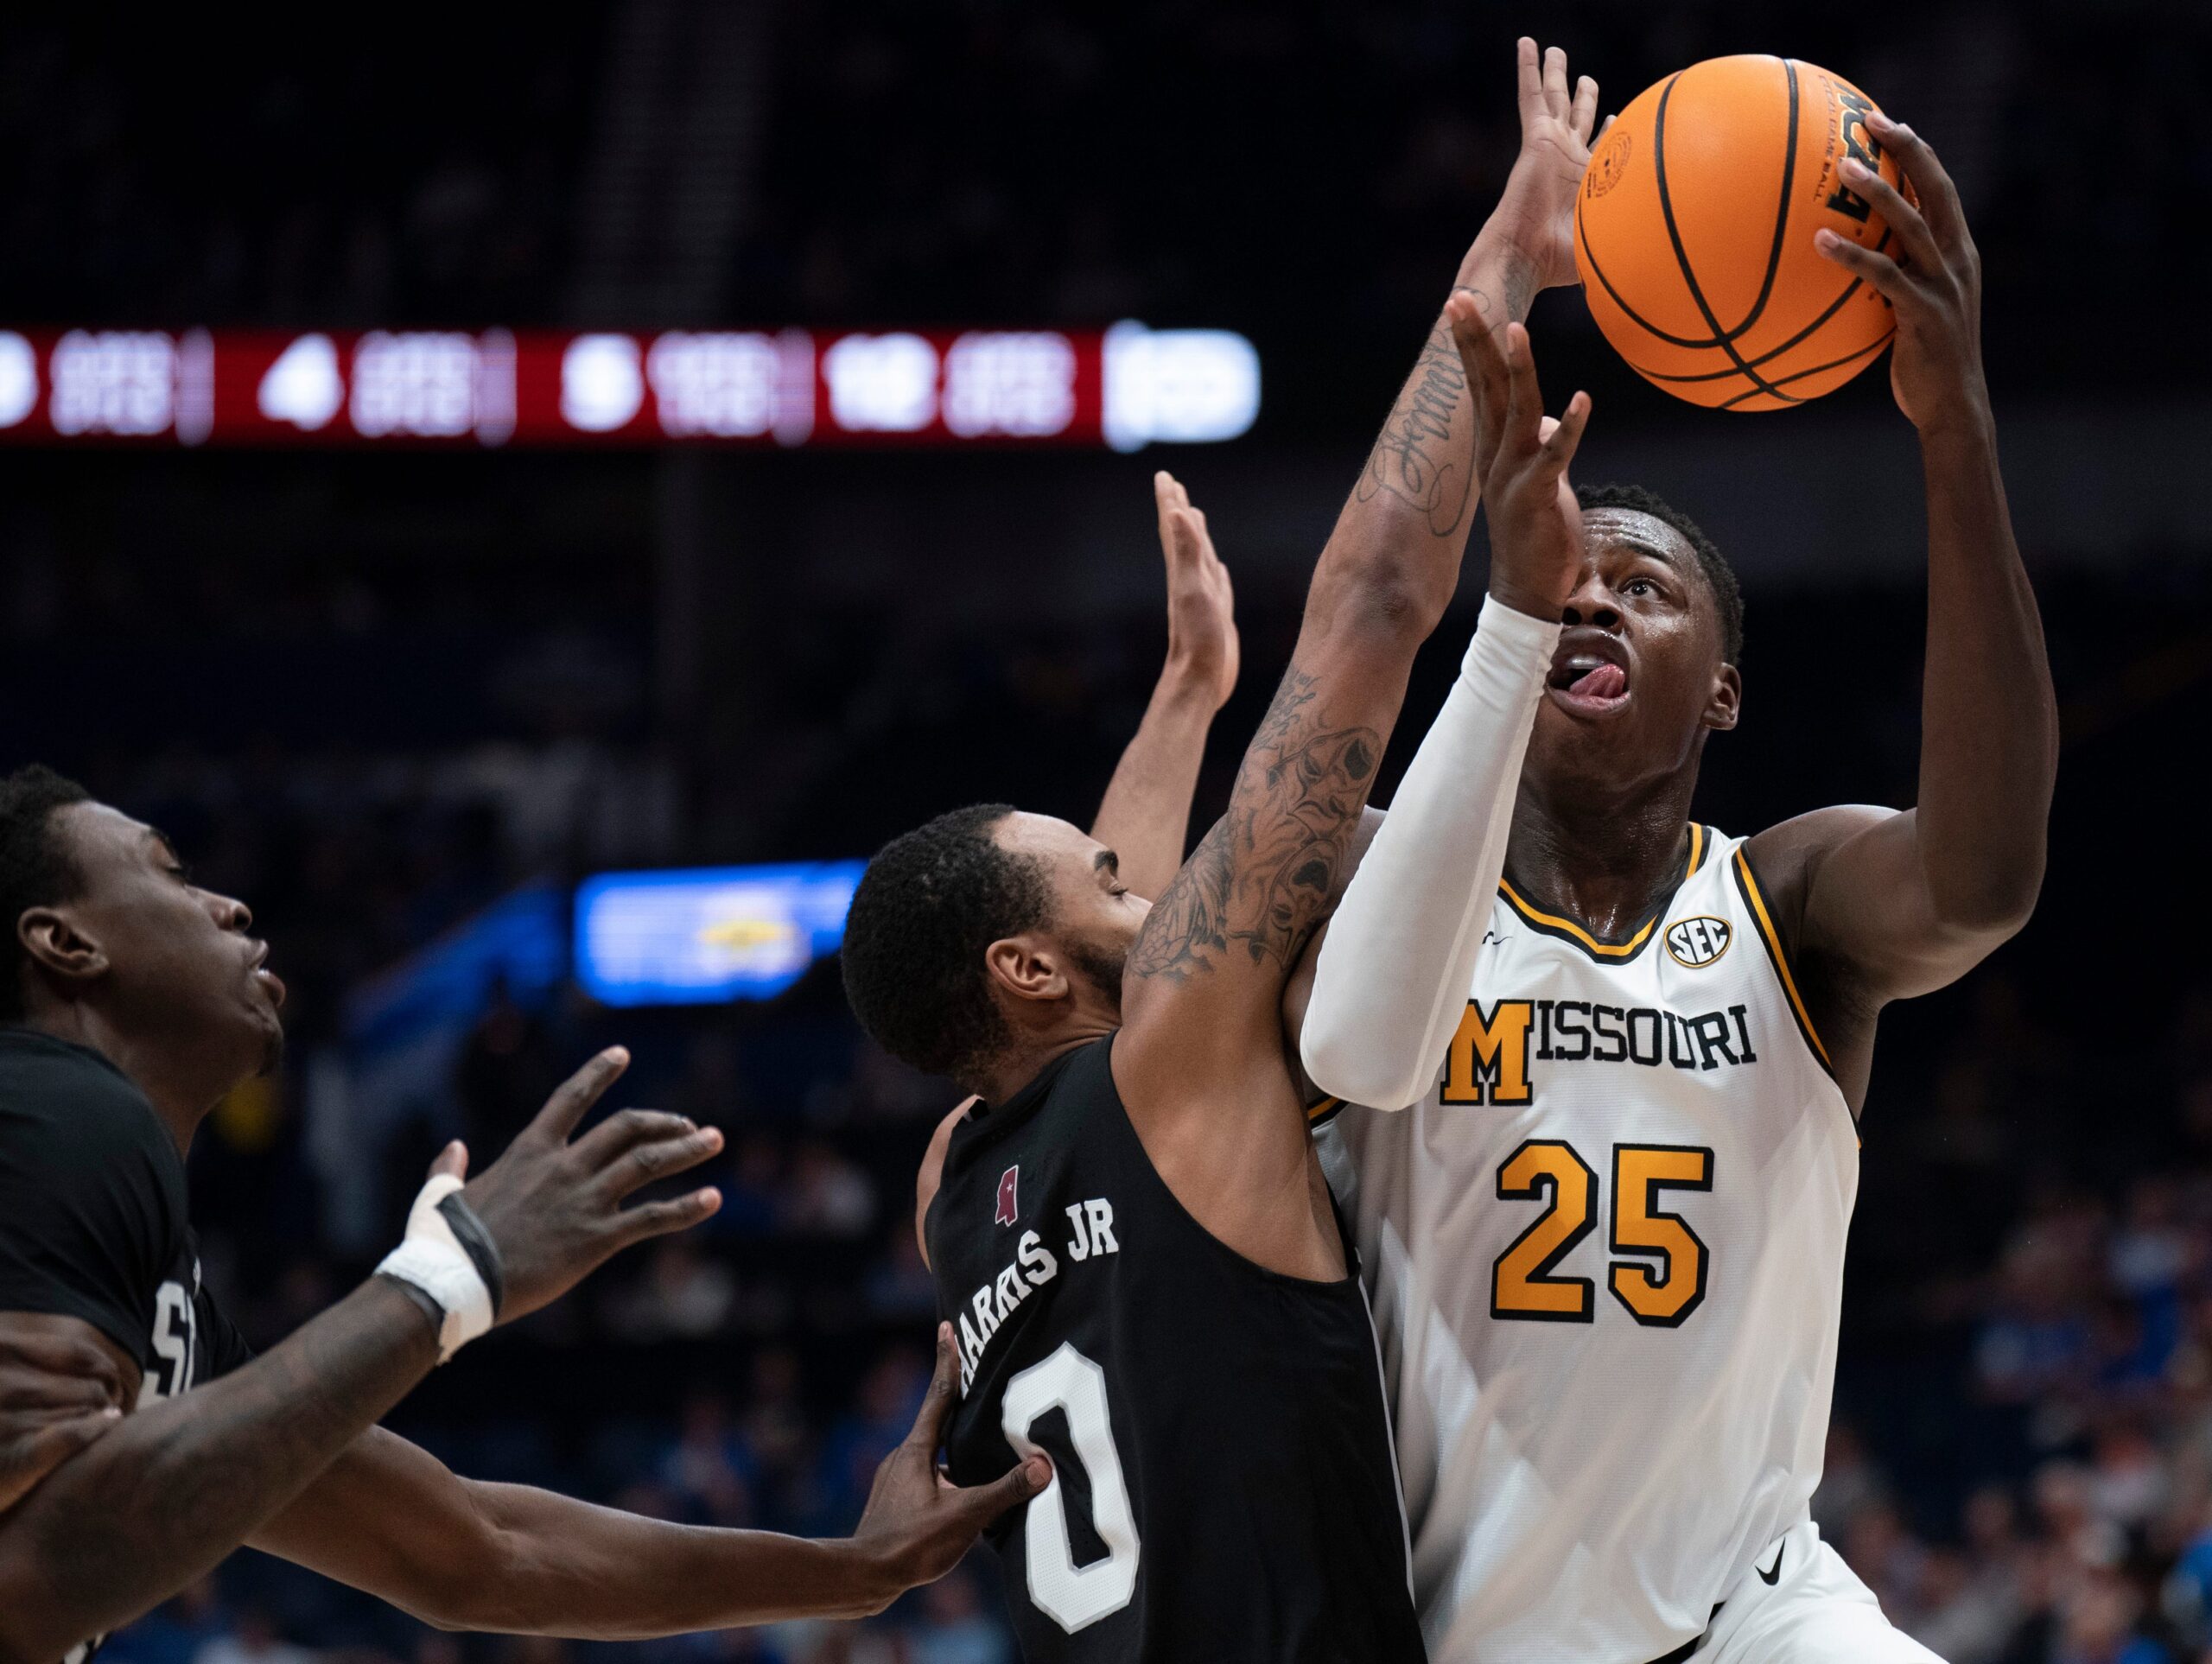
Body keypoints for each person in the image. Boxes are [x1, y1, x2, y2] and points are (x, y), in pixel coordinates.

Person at [836, 43, 1605, 1659]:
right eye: (1108, 876)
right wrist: (1504, 267)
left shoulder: (951, 1189)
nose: (1149, 876)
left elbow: (1111, 982)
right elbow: (1375, 606)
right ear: (1025, 967)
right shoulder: (1173, 1067)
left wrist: (1188, 696)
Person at [1296, 103, 2057, 1662]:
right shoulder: (1378, 874)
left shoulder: (1787, 903)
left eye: (1640, 590)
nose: (1589, 607)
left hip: (1754, 1613)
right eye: (1562, 582)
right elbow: (1372, 600)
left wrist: (1954, 425)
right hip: (1447, 1629)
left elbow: (1981, 880)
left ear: (1721, 690)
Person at [0, 766, 1046, 1664]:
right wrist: (450, 1281)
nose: (227, 905)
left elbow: (478, 1547)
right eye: (170, 871)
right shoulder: (52, 1103)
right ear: (65, 943)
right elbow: (31, 1574)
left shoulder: (140, 1261)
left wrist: (855, 1574)